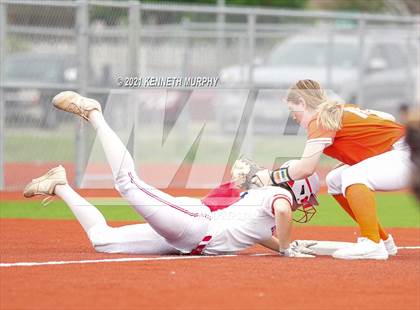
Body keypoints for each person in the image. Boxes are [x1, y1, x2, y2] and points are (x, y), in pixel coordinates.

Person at [23, 91, 319, 257]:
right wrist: (285, 246)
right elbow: (283, 210)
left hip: (188, 238)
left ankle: (59, 185)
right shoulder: (279, 196)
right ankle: (94, 113)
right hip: (193, 225)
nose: (304, 206)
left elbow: (257, 233)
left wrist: (284, 244)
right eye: (306, 199)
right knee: (127, 182)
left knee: (104, 240)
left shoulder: (267, 204)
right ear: (299, 190)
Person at [253, 79, 406, 260]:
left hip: (411, 153)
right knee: (335, 179)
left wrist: (271, 177)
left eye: (292, 109)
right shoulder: (337, 110)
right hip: (405, 149)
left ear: (302, 103)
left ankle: (372, 243)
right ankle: (382, 239)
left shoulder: (319, 119)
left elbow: (306, 168)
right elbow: (388, 118)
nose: (292, 115)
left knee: (354, 174)